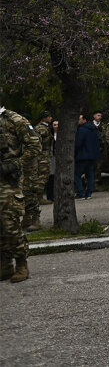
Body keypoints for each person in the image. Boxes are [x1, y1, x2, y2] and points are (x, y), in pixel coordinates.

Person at [0, 91, 42, 283]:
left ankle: (21, 263)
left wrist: (16, 164)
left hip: (8, 181)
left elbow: (35, 146)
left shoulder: (15, 120)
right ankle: (5, 265)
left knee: (9, 223)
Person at [23, 111, 52, 231]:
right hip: (14, 165)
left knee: (30, 191)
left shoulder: (27, 128)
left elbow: (35, 145)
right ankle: (26, 217)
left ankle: (34, 218)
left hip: (28, 164)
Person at [74, 112, 100, 199]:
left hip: (82, 155)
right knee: (90, 174)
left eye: (80, 119)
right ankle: (89, 193)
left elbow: (78, 143)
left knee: (76, 174)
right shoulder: (93, 129)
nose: (78, 121)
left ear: (84, 120)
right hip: (92, 155)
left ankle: (80, 193)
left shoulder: (81, 130)